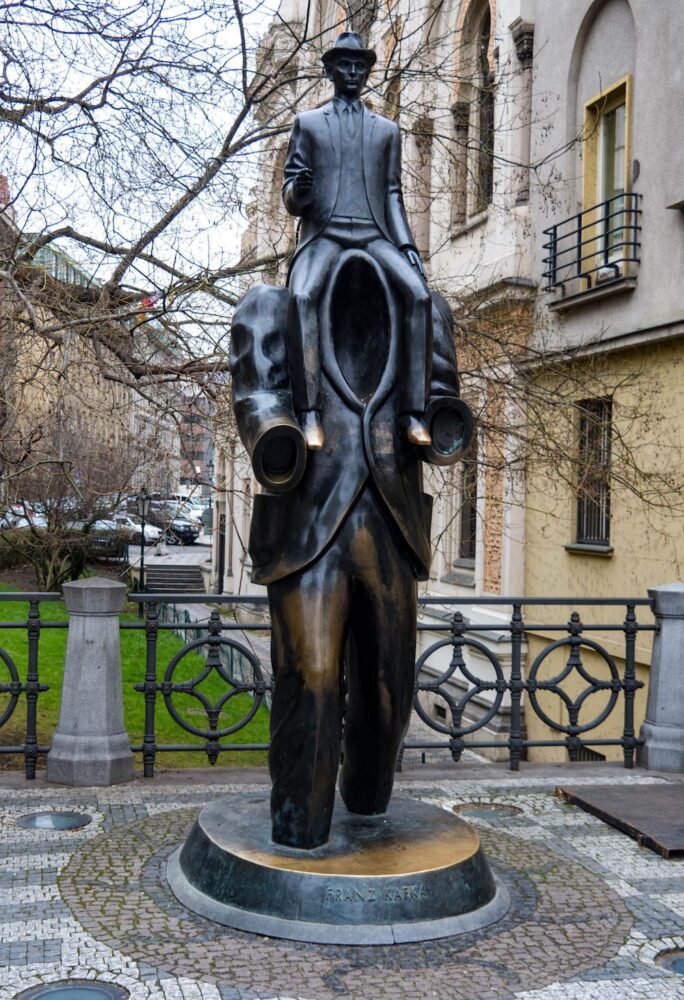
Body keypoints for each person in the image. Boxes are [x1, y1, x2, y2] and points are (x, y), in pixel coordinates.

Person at [283, 31, 433, 451]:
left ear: (368, 72)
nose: (352, 72)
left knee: (419, 297)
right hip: (325, 235)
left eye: (360, 66)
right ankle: (310, 413)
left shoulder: (387, 132)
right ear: (330, 70)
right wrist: (302, 192)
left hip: (373, 234)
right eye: (344, 65)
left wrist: (406, 247)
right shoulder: (307, 125)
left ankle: (414, 414)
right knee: (302, 298)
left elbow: (392, 195)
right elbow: (291, 195)